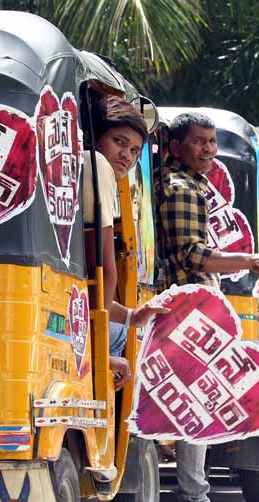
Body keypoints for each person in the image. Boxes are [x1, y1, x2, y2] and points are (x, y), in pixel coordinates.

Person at [156, 112, 259, 502]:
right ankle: (193, 501)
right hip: (186, 311)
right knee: (196, 404)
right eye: (199, 142)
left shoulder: (190, 185)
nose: (208, 149)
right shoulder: (181, 189)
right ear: (176, 146)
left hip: (189, 308)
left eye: (212, 142)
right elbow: (190, 256)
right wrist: (252, 260)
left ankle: (195, 497)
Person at [81, 95, 168, 388]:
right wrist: (99, 354)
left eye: (134, 151)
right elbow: (104, 271)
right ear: (93, 136)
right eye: (119, 142)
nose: (127, 156)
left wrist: (133, 316)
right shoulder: (96, 166)